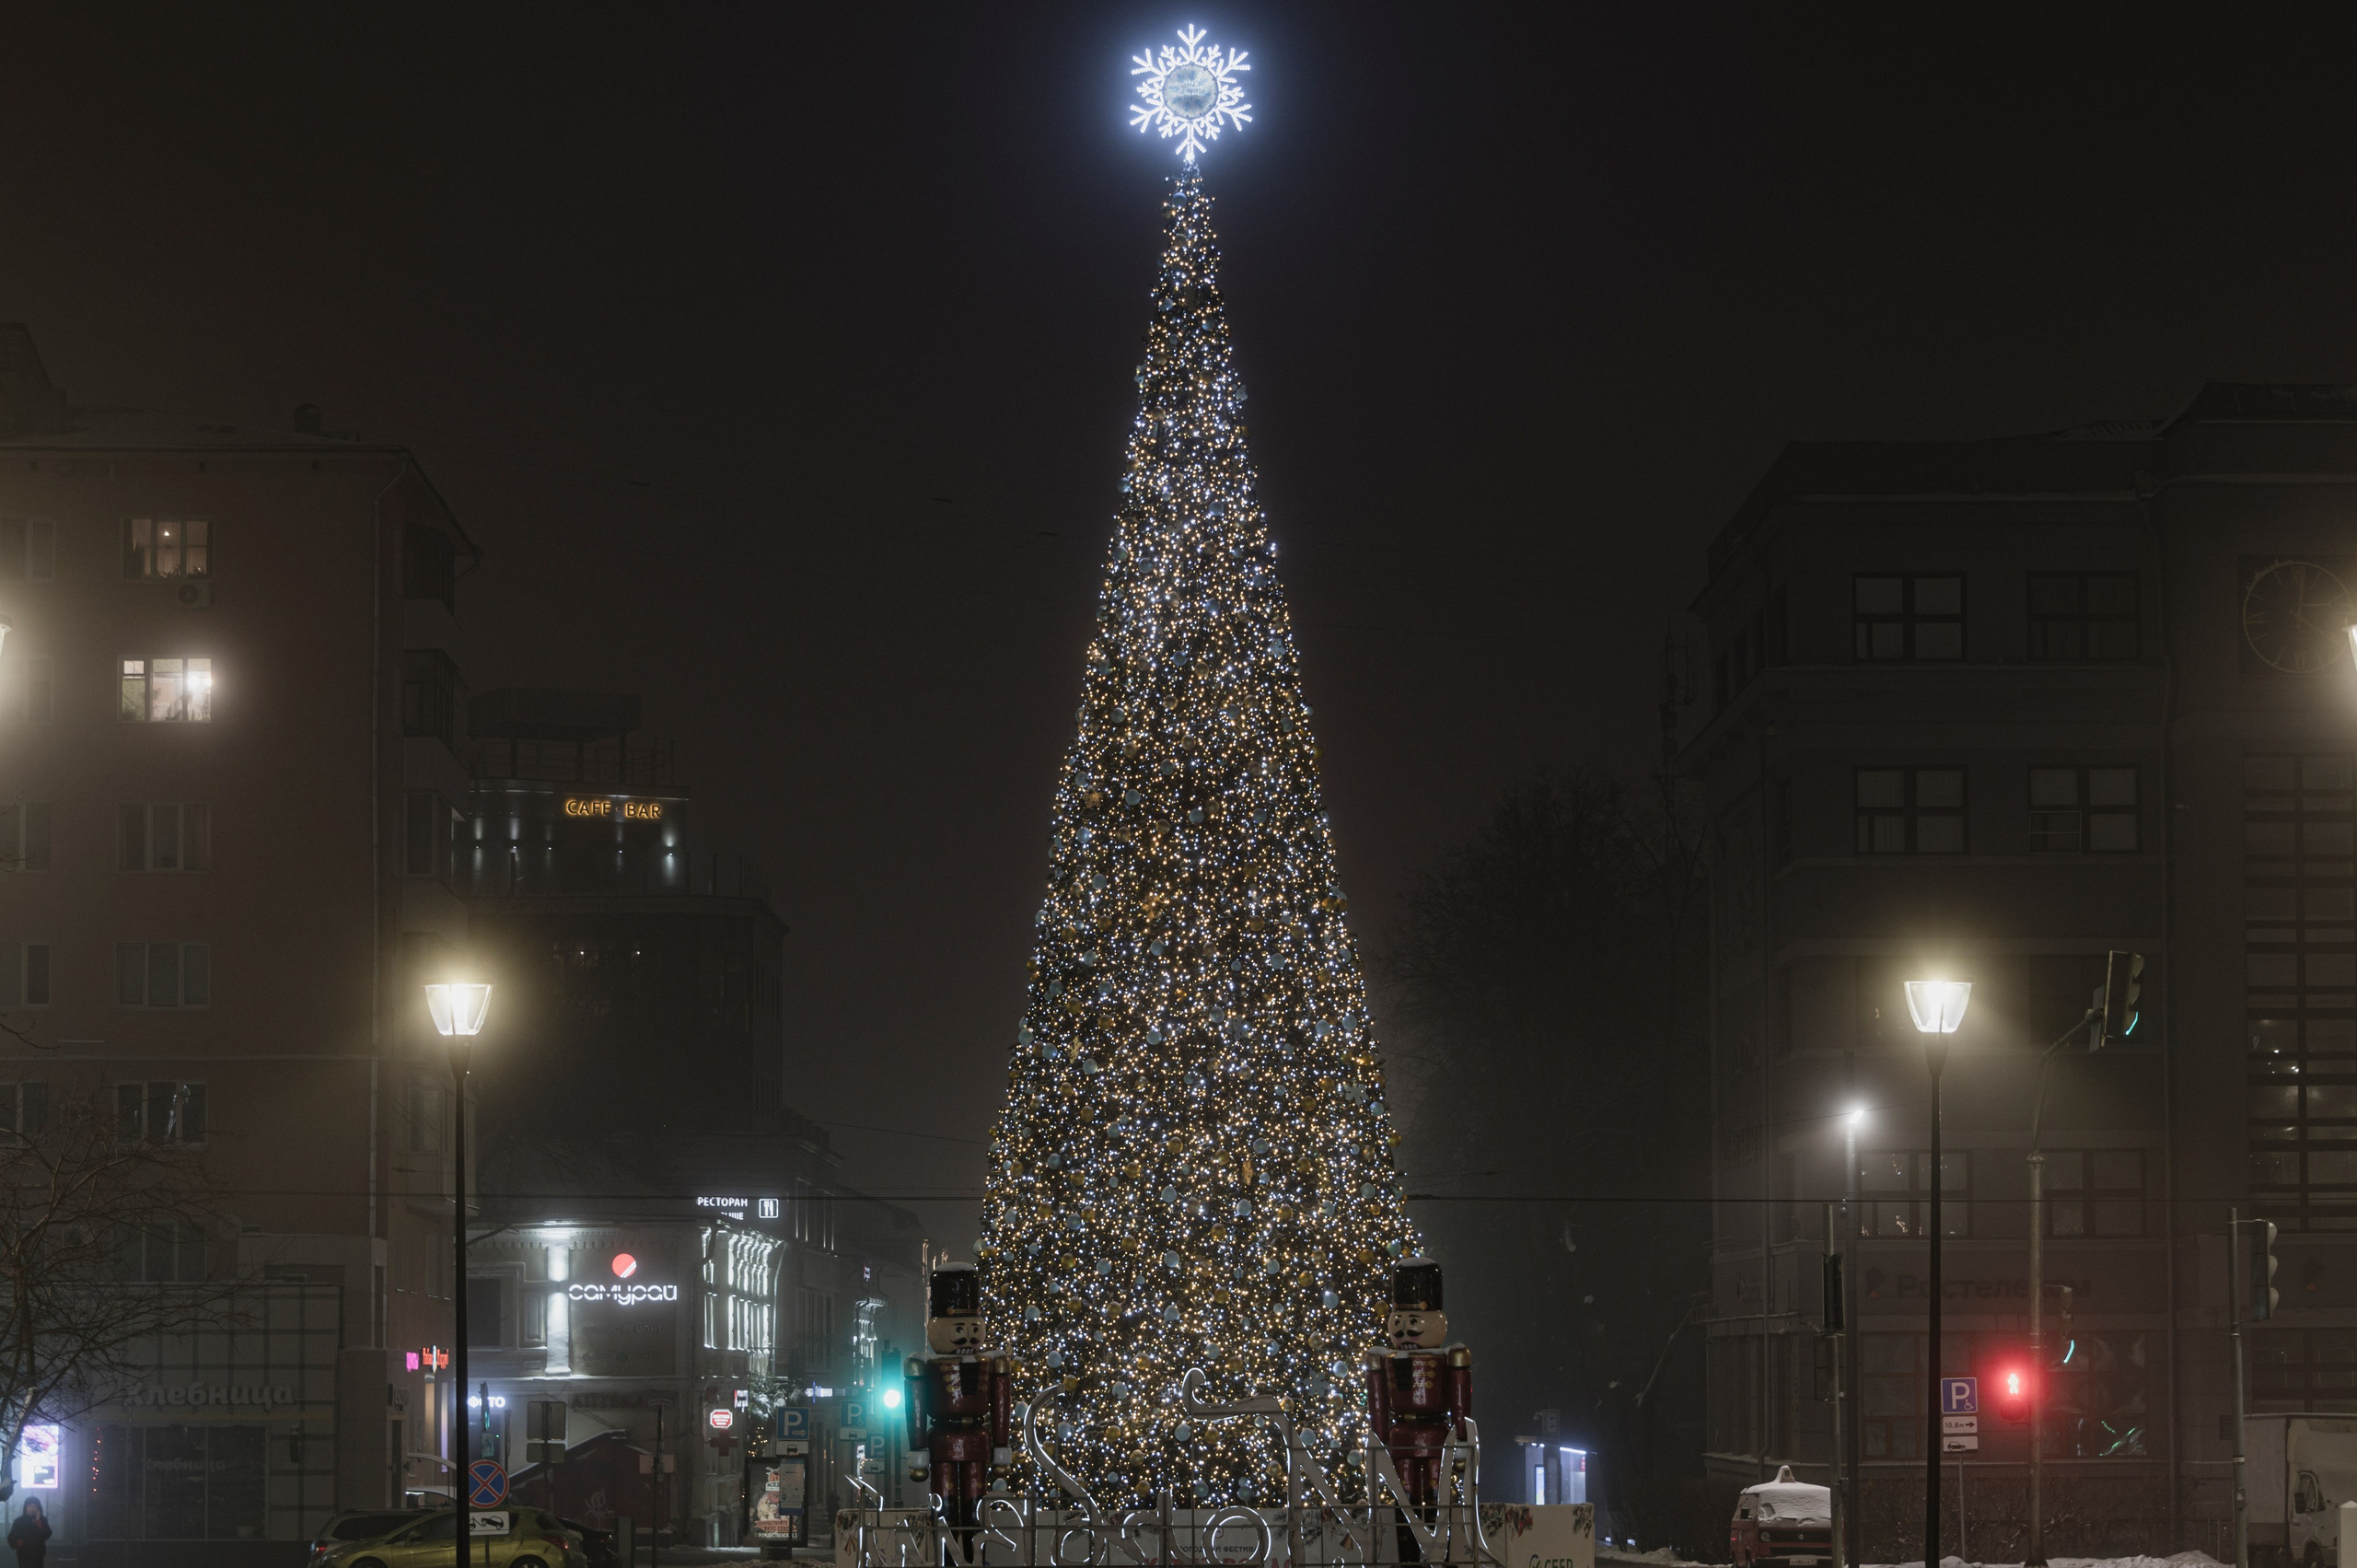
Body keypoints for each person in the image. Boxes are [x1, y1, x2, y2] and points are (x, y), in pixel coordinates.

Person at [7, 1498, 51, 1568]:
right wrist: (18, 1543)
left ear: (38, 1507)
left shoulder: (42, 1520)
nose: (32, 1509)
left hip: (38, 1554)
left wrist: (38, 1522)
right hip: (23, 1553)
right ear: (26, 1507)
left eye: (34, 1506)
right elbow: (12, 1537)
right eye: (29, 1506)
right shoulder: (19, 1521)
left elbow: (47, 1534)